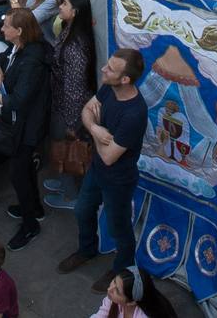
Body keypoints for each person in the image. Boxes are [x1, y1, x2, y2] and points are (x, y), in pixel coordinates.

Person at [57, 49, 150, 291]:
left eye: (110, 69)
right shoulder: (110, 87)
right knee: (82, 210)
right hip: (97, 171)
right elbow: (87, 110)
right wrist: (97, 130)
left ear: (125, 79)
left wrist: (94, 127)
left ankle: (122, 269)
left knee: (119, 228)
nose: (103, 70)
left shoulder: (134, 114)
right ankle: (87, 249)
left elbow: (110, 157)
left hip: (118, 179)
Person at [0, 9, 50, 250]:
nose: (2, 29)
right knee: (23, 170)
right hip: (19, 124)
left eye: (6, 26)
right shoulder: (19, 48)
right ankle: (34, 208)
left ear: (20, 31)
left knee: (18, 173)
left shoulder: (32, 61)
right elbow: (3, 57)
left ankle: (30, 225)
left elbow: (19, 100)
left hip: (27, 127)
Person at [44, 0, 95, 210]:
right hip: (61, 103)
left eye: (64, 4)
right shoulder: (69, 30)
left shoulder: (75, 48)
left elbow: (75, 90)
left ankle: (70, 194)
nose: (60, 7)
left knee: (66, 148)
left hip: (68, 110)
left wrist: (72, 123)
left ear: (75, 11)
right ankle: (65, 183)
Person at [89, 266, 177, 318]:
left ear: (132, 302)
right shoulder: (112, 299)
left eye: (117, 291)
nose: (109, 289)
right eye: (114, 281)